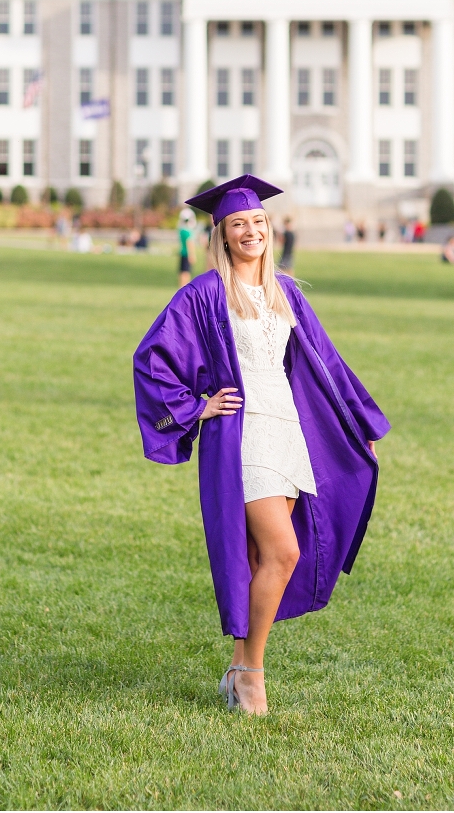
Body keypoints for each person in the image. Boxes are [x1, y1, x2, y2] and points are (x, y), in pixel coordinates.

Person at [133, 175, 390, 716]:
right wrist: (195, 407)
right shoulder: (205, 294)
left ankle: (238, 667)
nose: (250, 231)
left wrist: (358, 421)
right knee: (284, 552)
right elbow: (152, 358)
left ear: (268, 228)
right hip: (243, 432)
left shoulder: (285, 291)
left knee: (260, 557)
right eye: (237, 225)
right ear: (222, 235)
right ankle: (252, 675)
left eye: (257, 222)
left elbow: (327, 359)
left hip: (287, 427)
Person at [177, 208, 196, 287]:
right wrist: (192, 255)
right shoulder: (188, 231)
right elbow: (189, 243)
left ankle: (180, 287)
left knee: (181, 273)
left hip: (182, 253)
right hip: (187, 254)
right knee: (186, 274)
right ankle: (184, 287)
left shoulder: (181, 230)